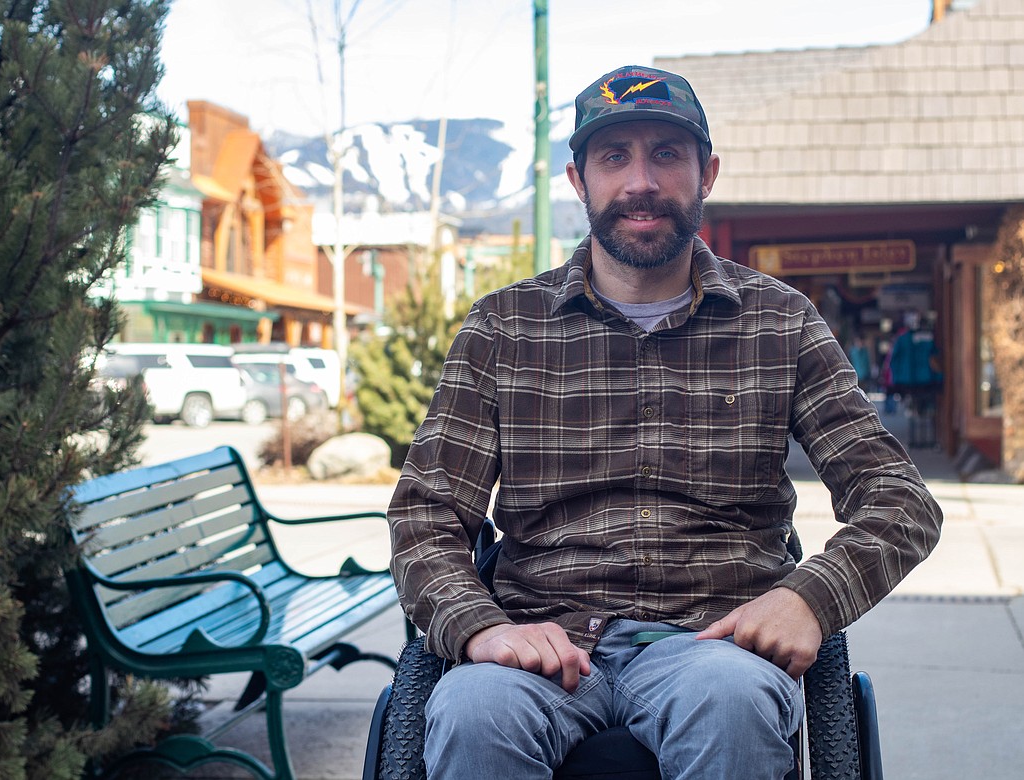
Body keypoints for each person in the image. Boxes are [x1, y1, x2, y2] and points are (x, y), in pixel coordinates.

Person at [387, 65, 943, 779]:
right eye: (614, 156)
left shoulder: (780, 323)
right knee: (473, 712)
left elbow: (900, 500)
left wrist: (810, 598)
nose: (640, 181)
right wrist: (482, 627)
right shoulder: (505, 328)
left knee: (731, 701)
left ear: (706, 173)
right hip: (541, 644)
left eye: (666, 154)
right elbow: (425, 514)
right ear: (578, 180)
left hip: (714, 646)